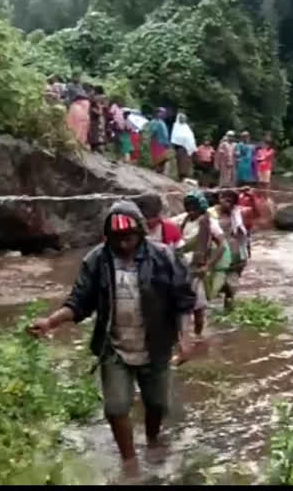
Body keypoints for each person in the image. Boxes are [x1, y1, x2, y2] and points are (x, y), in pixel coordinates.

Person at [27, 200, 196, 474]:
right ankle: (129, 461)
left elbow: (183, 300)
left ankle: (153, 440)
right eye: (116, 238)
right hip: (114, 346)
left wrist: (185, 337)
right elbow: (79, 301)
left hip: (155, 345)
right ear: (108, 237)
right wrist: (50, 321)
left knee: (157, 404)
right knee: (116, 407)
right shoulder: (96, 260)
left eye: (129, 237)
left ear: (141, 233)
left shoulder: (164, 257)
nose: (124, 244)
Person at [174, 191, 231, 341]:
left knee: (198, 310)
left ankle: (199, 338)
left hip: (197, 269)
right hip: (180, 268)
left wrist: (208, 266)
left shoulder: (209, 222)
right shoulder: (182, 220)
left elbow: (221, 247)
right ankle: (183, 339)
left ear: (201, 207)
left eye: (193, 206)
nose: (190, 209)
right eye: (188, 206)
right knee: (178, 306)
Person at [208, 189, 248, 310]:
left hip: (234, 252)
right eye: (226, 200)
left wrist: (245, 255)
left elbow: (242, 234)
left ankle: (228, 310)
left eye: (232, 202)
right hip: (215, 252)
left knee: (231, 287)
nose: (228, 204)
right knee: (212, 286)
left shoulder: (235, 214)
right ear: (219, 198)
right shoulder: (210, 214)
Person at [170, 112, 197, 181]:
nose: (183, 119)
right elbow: (175, 137)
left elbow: (190, 137)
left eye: (184, 118)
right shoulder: (176, 126)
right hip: (179, 148)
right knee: (179, 163)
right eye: (181, 118)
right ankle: (178, 176)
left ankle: (184, 176)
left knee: (185, 163)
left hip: (186, 148)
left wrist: (191, 146)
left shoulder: (186, 127)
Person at [109, 98, 132, 163]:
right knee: (122, 147)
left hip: (123, 135)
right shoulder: (127, 120)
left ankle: (124, 160)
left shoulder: (126, 120)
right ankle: (120, 159)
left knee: (123, 148)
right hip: (124, 135)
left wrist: (121, 128)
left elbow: (127, 128)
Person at [149, 108, 171, 175]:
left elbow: (165, 134)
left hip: (164, 143)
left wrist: (167, 142)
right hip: (157, 141)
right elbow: (152, 131)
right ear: (157, 113)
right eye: (161, 113)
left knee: (163, 156)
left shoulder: (163, 123)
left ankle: (161, 170)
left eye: (164, 113)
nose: (163, 114)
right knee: (156, 155)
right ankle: (155, 168)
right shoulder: (154, 122)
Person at [88, 86, 108, 153]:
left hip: (97, 116)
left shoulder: (98, 97)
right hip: (99, 116)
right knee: (98, 131)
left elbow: (92, 102)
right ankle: (96, 147)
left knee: (95, 131)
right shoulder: (103, 97)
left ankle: (95, 147)